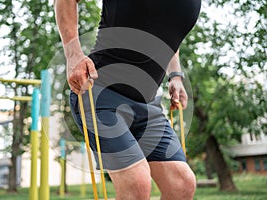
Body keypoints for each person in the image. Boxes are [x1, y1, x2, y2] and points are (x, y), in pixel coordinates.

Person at [54, 0, 201, 199]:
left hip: (147, 104)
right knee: (137, 183)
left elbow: (167, 33)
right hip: (101, 92)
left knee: (182, 185)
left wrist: (175, 75)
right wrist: (73, 55)